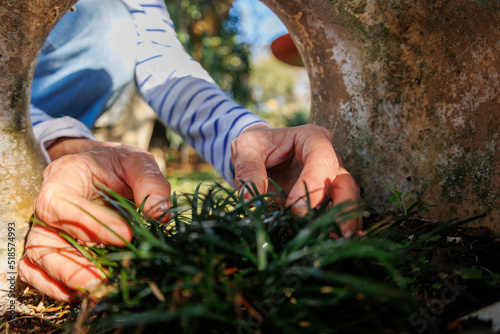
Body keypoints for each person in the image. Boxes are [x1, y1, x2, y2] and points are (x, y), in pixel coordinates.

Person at [18, 0, 361, 302]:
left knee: (119, 29)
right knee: (107, 23)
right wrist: (61, 144)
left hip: (66, 123)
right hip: (34, 120)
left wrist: (249, 138)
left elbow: (161, 63)